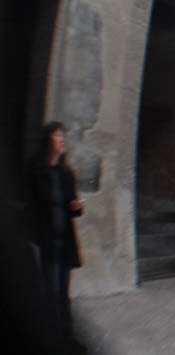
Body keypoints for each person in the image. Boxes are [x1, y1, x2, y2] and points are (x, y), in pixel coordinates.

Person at [30, 121, 83, 344]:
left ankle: (68, 337)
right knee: (49, 291)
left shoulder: (66, 173)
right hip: (47, 239)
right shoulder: (35, 170)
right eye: (57, 135)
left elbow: (74, 207)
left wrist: (77, 208)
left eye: (63, 136)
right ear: (47, 140)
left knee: (63, 292)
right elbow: (32, 205)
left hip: (65, 240)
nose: (62, 139)